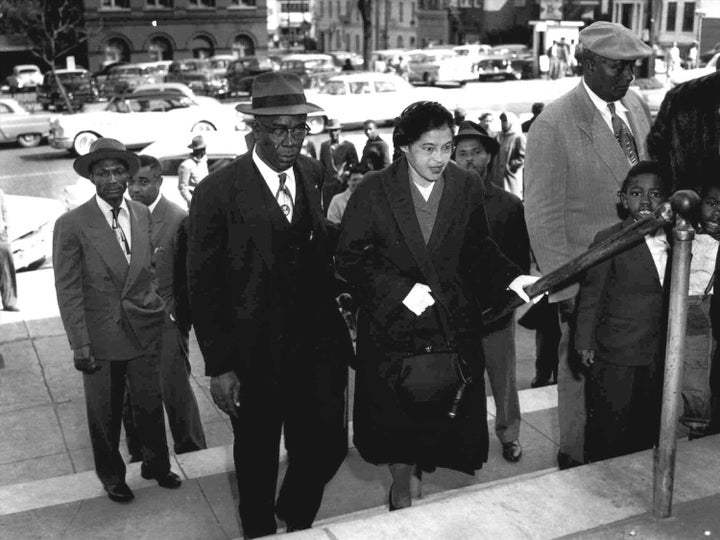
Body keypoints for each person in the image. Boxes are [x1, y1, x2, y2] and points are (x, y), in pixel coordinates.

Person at [335, 101, 540, 511]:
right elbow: (349, 258)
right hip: (393, 328)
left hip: (447, 323)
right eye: (428, 149)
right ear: (405, 147)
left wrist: (512, 276)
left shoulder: (465, 185)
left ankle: (422, 472)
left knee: (440, 413)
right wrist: (396, 291)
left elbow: (478, 246)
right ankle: (401, 489)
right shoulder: (374, 189)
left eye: (446, 147)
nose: (440, 159)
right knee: (396, 423)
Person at [187, 72, 354, 538]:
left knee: (327, 447)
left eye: (298, 128)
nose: (290, 139)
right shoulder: (217, 192)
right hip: (253, 356)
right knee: (257, 458)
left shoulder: (313, 173)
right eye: (277, 129)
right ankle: (259, 530)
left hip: (317, 348)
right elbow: (202, 286)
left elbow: (321, 249)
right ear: (254, 130)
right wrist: (219, 366)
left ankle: (295, 515)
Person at [524, 21, 653, 470]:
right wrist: (564, 290)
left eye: (633, 67)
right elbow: (541, 214)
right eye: (618, 68)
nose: (628, 77)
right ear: (589, 63)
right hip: (585, 280)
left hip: (637, 279)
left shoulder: (635, 107)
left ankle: (623, 450)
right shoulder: (554, 122)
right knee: (579, 374)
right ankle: (575, 455)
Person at [53, 138, 181, 503]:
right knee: (104, 414)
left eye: (118, 171)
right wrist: (80, 342)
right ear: (91, 177)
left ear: (129, 174)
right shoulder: (72, 224)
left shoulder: (140, 213)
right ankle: (112, 477)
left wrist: (155, 304)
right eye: (103, 172)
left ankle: (156, 465)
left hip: (143, 326)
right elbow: (68, 289)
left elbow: (148, 271)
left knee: (149, 403)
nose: (111, 179)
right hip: (101, 335)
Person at [575, 161, 670, 462]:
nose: (646, 201)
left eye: (655, 194)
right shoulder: (609, 239)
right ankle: (602, 481)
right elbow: (591, 293)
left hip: (656, 351)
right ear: (623, 198)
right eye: (637, 193)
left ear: (666, 199)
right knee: (610, 423)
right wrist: (584, 340)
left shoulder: (676, 238)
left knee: (646, 424)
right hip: (616, 351)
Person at [454, 120, 530, 462]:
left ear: (489, 157)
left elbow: (518, 263)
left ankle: (509, 434)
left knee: (503, 378)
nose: (469, 159)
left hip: (497, 312)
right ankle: (463, 442)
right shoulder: (444, 203)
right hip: (457, 312)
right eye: (462, 153)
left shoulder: (509, 205)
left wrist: (506, 304)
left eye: (476, 152)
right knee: (459, 382)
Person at [123, 155, 207, 459]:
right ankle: (142, 455)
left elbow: (192, 275)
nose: (134, 189)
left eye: (143, 181)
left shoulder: (178, 219)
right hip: (130, 322)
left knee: (175, 391)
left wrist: (179, 316)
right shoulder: (123, 216)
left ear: (159, 181)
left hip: (166, 320)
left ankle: (193, 451)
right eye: (130, 182)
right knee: (132, 394)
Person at [319, 118, 359, 212]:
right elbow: (322, 165)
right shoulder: (324, 146)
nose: (333, 133)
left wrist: (347, 173)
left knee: (345, 210)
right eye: (331, 130)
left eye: (336, 130)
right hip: (328, 186)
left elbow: (355, 164)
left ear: (340, 130)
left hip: (343, 185)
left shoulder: (348, 146)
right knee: (328, 211)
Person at [489, 111, 525, 199]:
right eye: (502, 121)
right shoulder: (499, 137)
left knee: (511, 200)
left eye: (505, 121)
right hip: (497, 177)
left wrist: (511, 166)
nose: (503, 123)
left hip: (510, 177)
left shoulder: (518, 137)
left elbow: (524, 157)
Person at [177, 134, 209, 208]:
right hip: (195, 200)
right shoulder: (186, 165)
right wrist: (192, 201)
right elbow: (182, 187)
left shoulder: (203, 161)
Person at [0, 188, 18, 311]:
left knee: (7, 268)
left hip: (1, 234)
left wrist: (6, 226)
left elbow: (4, 209)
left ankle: (10, 302)